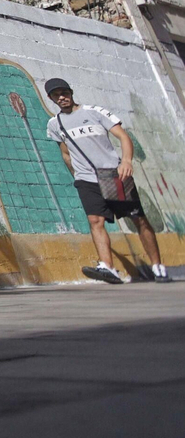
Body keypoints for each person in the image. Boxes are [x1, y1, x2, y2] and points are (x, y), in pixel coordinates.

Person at [43, 78, 168, 284]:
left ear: (71, 92)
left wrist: (126, 161)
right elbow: (65, 153)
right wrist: (76, 174)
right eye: (56, 95)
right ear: (51, 98)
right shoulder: (54, 124)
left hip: (113, 175)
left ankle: (157, 266)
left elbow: (123, 137)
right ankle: (108, 267)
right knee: (95, 221)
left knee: (138, 219)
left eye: (64, 92)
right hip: (86, 180)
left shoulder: (95, 112)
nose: (62, 97)